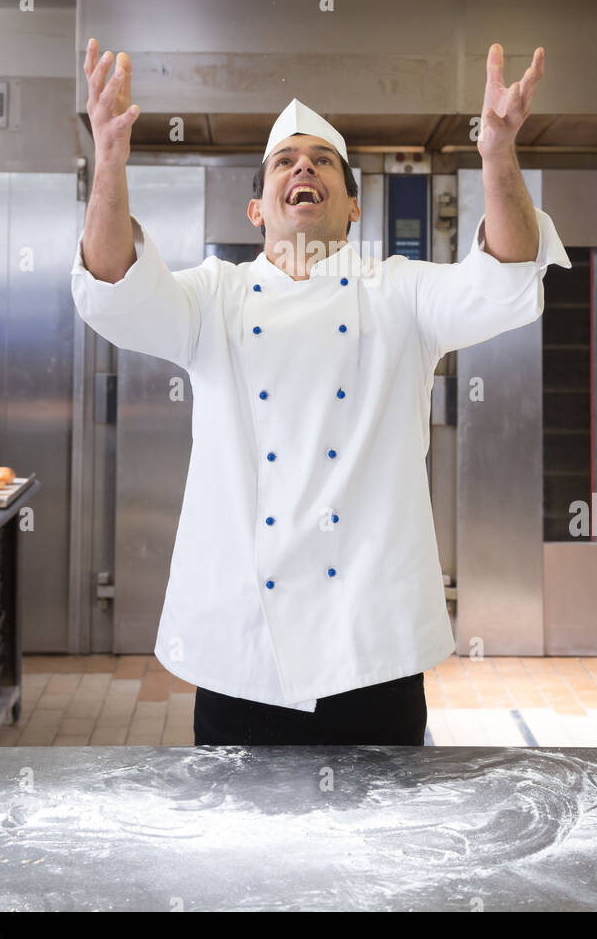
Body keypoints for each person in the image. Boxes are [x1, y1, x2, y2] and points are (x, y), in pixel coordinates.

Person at [71, 38, 571, 746]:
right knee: (243, 851)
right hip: (242, 650)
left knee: (381, 847)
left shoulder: (399, 293)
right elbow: (114, 290)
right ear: (257, 209)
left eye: (322, 162)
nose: (303, 167)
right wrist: (110, 165)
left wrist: (495, 153)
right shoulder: (213, 298)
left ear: (353, 207)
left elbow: (508, 277)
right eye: (284, 161)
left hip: (370, 646)